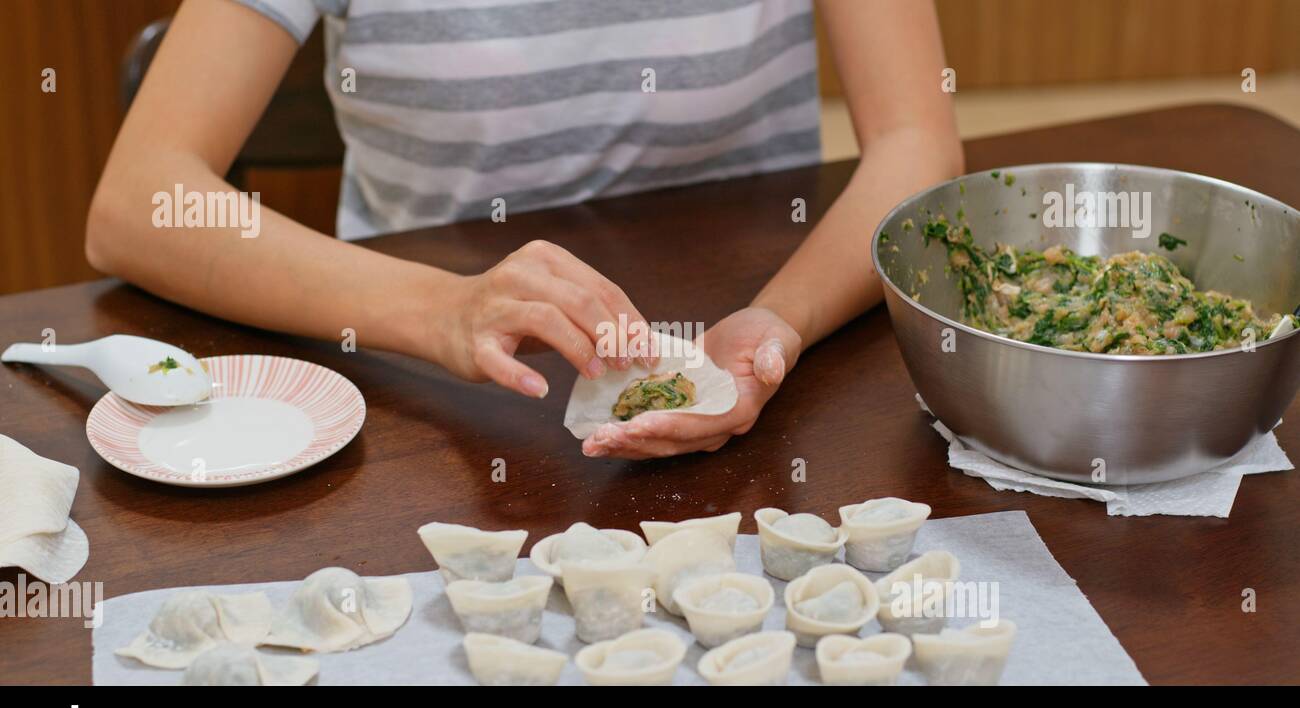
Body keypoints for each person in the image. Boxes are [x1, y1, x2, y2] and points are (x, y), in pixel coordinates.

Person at [86, 0, 962, 459]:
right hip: (436, 411)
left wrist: (780, 322)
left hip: (788, 398)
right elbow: (138, 203)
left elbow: (914, 140)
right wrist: (444, 310)